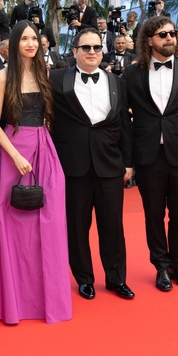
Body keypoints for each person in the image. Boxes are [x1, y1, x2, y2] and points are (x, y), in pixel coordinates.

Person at [0, 20, 72, 324]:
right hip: (13, 151)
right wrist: (16, 155)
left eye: (35, 38)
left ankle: (47, 300)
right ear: (15, 43)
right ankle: (13, 301)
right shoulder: (1, 77)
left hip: (44, 149)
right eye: (25, 39)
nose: (31, 44)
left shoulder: (44, 73)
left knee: (49, 222)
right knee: (13, 227)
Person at [122, 16, 178, 291]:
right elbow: (123, 120)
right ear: (149, 40)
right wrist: (127, 161)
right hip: (148, 155)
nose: (170, 37)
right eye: (163, 34)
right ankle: (160, 265)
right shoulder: (131, 74)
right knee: (153, 214)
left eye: (173, 33)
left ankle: (177, 263)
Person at [50, 28, 135, 300]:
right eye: (85, 47)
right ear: (74, 51)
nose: (92, 52)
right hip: (73, 166)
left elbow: (124, 124)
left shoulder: (116, 82)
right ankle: (84, 278)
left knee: (113, 226)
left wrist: (128, 162)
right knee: (77, 227)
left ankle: (116, 278)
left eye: (97, 47)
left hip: (110, 164)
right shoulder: (56, 79)